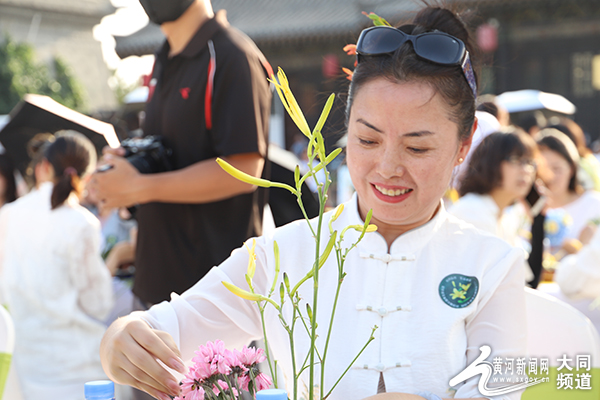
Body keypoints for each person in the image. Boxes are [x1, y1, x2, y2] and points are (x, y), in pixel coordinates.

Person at [100, 5, 526, 400]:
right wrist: (123, 337)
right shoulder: (285, 253)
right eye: (367, 139)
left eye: (417, 148)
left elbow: (501, 389)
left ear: (463, 144)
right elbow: (168, 325)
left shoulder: (492, 266)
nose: (387, 167)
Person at [90, 0, 272, 307]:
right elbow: (172, 150)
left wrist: (141, 186)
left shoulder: (231, 55)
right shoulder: (162, 58)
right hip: (153, 285)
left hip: (215, 296)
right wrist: (129, 165)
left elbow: (245, 169)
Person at [0, 131, 114, 400]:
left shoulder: (8, 216)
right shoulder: (81, 223)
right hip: (78, 366)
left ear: (44, 167)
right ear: (86, 177)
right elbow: (99, 304)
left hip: (26, 365)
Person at [449, 131, 537, 280]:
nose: (525, 170)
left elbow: (524, 280)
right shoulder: (472, 212)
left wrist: (539, 218)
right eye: (516, 160)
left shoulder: (504, 215)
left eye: (529, 162)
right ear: (490, 162)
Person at [537, 128, 600, 254]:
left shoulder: (594, 205)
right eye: (543, 169)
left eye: (556, 169)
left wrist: (580, 249)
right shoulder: (525, 209)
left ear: (571, 168)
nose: (550, 176)